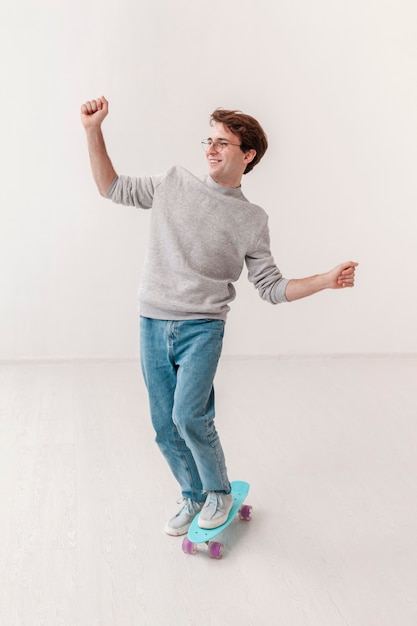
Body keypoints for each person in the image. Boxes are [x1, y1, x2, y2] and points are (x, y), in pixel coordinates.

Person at [80, 96, 358, 536]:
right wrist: (93, 130)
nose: (210, 149)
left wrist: (324, 279)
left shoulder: (251, 218)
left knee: (190, 416)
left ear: (247, 155)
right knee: (162, 426)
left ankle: (219, 491)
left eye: (223, 143)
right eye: (208, 141)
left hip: (203, 328)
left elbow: (271, 287)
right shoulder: (173, 183)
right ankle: (192, 495)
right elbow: (110, 187)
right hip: (152, 321)